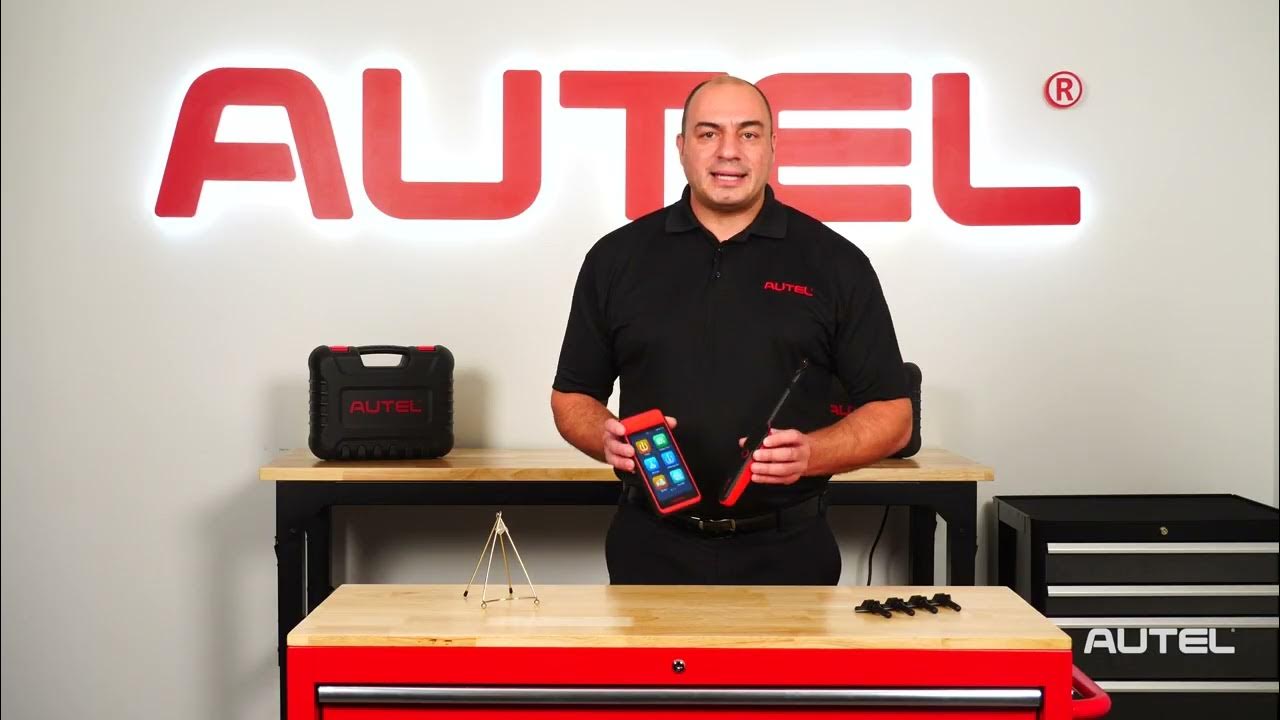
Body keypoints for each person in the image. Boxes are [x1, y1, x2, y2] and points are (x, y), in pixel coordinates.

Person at [551, 76, 912, 585]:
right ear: (681, 147)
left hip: (790, 551)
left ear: (771, 146)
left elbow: (894, 416)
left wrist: (814, 454)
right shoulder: (615, 258)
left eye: (748, 133)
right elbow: (571, 396)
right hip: (650, 544)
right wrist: (603, 438)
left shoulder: (836, 262)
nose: (729, 151)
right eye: (708, 133)